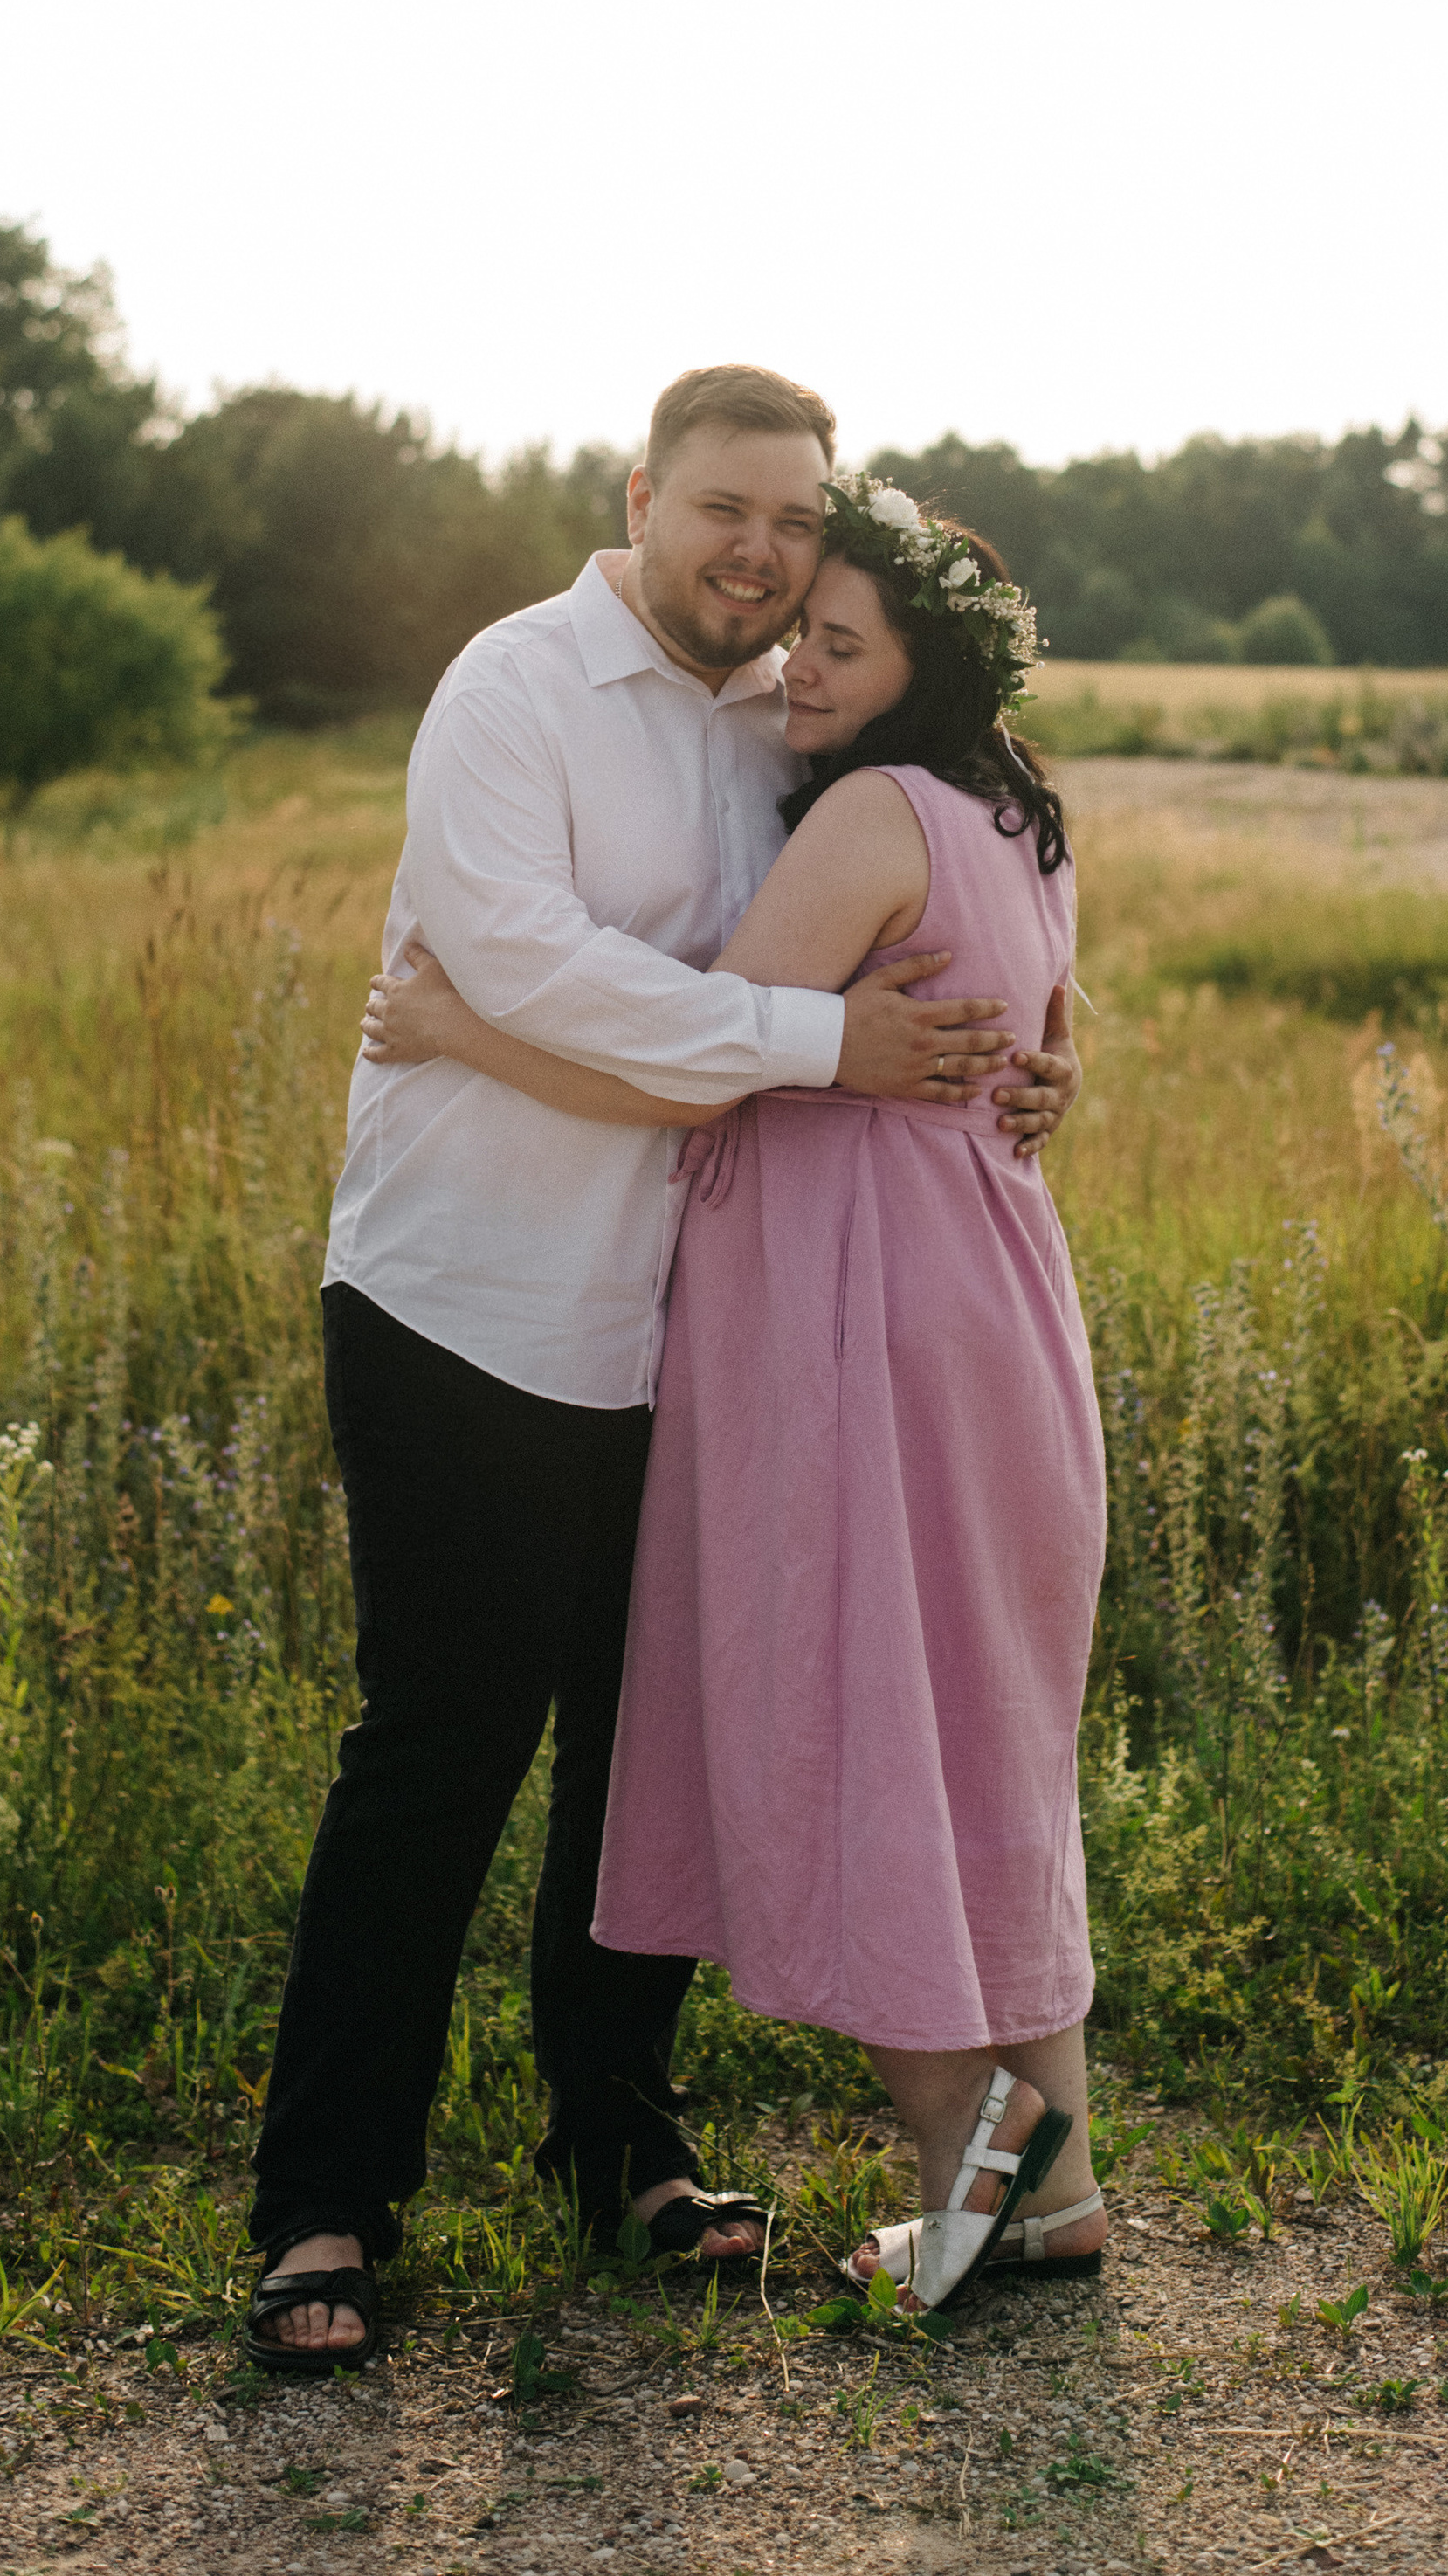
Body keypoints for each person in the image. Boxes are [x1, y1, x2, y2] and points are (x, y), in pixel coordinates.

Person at [245, 370, 1079, 2374]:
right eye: (725, 508)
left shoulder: (791, 726)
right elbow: (535, 959)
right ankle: (325, 2209)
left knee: (649, 1762)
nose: (760, 556)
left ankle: (622, 2152)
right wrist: (828, 1052)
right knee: (440, 1755)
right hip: (478, 1306)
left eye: (794, 528)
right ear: (641, 494)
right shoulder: (514, 687)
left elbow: (862, 977)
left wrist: (1011, 1052)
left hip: (697, 1346)